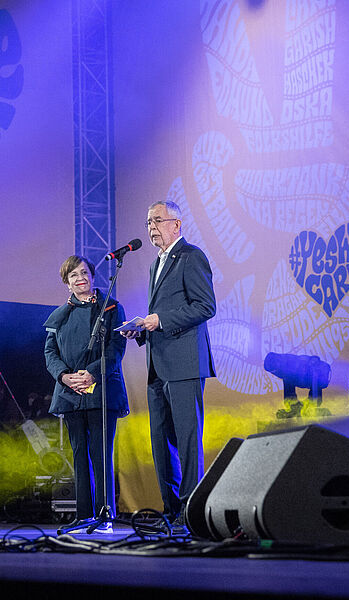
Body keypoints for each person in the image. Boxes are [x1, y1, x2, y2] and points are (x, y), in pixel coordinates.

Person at [121, 200, 216, 531]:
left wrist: (160, 320)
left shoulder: (191, 256)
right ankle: (171, 510)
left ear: (177, 224)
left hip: (185, 363)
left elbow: (205, 306)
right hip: (157, 365)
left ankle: (190, 513)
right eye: (148, 222)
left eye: (157, 220)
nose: (151, 227)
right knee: (161, 443)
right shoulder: (155, 265)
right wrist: (141, 330)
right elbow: (158, 317)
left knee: (188, 440)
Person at [44, 255, 129, 530]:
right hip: (71, 392)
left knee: (101, 452)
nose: (80, 278)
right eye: (73, 276)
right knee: (79, 454)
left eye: (84, 273)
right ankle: (84, 515)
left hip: (101, 388)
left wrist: (92, 372)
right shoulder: (59, 316)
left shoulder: (111, 307)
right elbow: (50, 352)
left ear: (92, 276)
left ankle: (106, 515)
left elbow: (116, 348)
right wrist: (64, 376)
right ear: (66, 284)